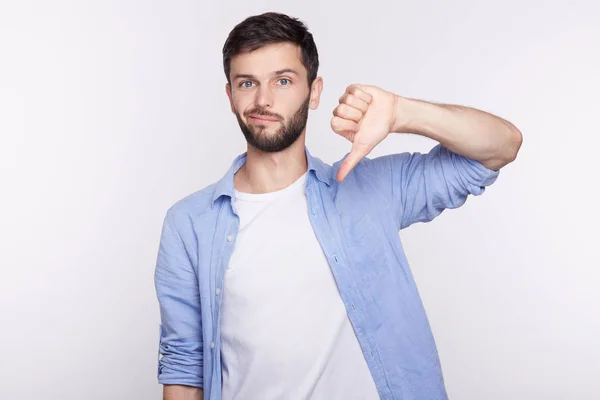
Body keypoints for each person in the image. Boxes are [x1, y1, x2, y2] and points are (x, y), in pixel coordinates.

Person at [154, 11, 522, 400]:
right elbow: (184, 365)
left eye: (283, 80)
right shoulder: (189, 223)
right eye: (247, 83)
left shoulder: (372, 189)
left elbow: (501, 147)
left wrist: (401, 113)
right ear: (230, 96)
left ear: (314, 91)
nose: (263, 100)